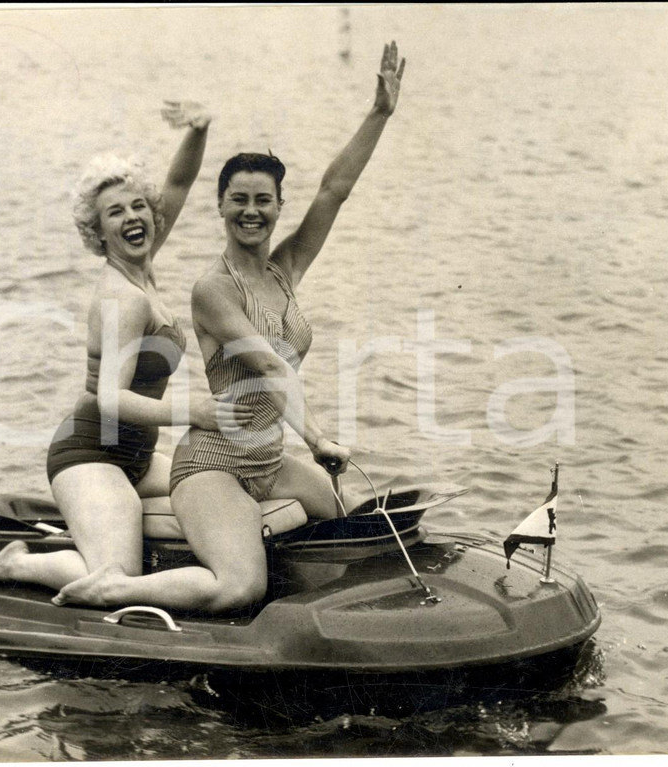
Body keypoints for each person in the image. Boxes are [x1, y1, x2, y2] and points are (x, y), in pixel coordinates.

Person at [55, 42, 406, 613]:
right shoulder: (209, 289)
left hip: (252, 456)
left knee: (348, 517)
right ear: (220, 208)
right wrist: (316, 437)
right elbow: (268, 364)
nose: (251, 210)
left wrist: (379, 114)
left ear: (277, 206)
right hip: (183, 456)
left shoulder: (282, 267)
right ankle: (115, 589)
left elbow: (333, 191)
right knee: (241, 585)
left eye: (263, 201)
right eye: (238, 200)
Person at [0, 102, 252, 591]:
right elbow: (111, 399)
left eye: (138, 205)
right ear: (99, 234)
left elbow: (178, 186)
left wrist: (200, 130)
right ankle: (18, 563)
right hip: (90, 455)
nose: (132, 216)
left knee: (233, 484)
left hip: (136, 457)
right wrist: (195, 412)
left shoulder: (141, 264)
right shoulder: (123, 297)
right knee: (116, 577)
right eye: (115, 213)